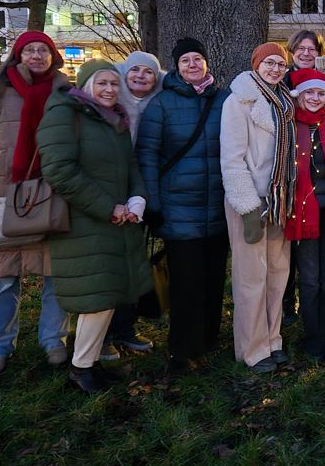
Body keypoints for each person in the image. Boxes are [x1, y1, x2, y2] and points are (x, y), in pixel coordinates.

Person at [0, 31, 71, 375]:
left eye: (43, 50)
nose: (37, 55)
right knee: (4, 276)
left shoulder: (64, 91)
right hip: (6, 194)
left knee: (56, 275)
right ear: (18, 56)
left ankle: (54, 340)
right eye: (29, 50)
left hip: (51, 193)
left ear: (53, 56)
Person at [36, 59, 152, 393]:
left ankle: (88, 364)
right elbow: (59, 170)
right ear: (85, 85)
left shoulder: (113, 118)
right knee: (96, 297)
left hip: (117, 221)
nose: (109, 89)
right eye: (101, 83)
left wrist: (137, 198)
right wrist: (108, 207)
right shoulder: (64, 114)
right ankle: (80, 370)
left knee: (108, 293)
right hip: (83, 221)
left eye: (114, 84)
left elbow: (130, 163)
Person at [136, 38, 228, 375]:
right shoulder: (161, 104)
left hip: (218, 208)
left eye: (198, 58)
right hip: (178, 210)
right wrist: (154, 204)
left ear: (206, 63)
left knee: (214, 278)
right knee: (186, 283)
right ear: (176, 66)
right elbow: (146, 154)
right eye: (186, 60)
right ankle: (183, 350)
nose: (192, 64)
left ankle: (208, 338)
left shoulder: (223, 101)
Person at [220, 43, 298, 374]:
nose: (276, 69)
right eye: (269, 63)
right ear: (256, 64)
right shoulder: (239, 101)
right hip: (251, 201)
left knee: (277, 275)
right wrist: (247, 206)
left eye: (281, 64)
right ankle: (252, 349)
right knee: (251, 277)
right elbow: (232, 159)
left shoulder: (284, 102)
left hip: (280, 199)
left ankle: (273, 340)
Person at [101, 51, 164, 361]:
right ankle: (99, 335)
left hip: (140, 191)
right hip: (107, 192)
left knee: (134, 264)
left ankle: (125, 328)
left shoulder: (157, 102)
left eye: (148, 72)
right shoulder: (110, 100)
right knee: (106, 267)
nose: (141, 76)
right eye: (135, 70)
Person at [286, 69, 325, 363]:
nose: (315, 98)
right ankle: (312, 337)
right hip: (303, 210)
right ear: (300, 95)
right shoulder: (290, 124)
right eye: (309, 92)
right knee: (309, 278)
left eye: (320, 93)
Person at [281, 30, 325, 325]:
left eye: (312, 49)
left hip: (316, 180)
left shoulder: (323, 82)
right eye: (302, 48)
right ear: (293, 50)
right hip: (288, 170)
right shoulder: (282, 81)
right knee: (285, 248)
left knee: (309, 249)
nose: (307, 53)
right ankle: (286, 302)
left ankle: (310, 298)